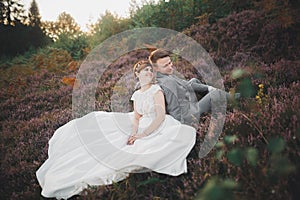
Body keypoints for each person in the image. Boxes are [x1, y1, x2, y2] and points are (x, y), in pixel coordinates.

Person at [36, 60, 196, 199]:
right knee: (97, 128)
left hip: (157, 124)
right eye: (145, 70)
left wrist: (142, 135)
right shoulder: (137, 94)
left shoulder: (156, 90)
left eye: (150, 70)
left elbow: (160, 116)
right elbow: (136, 116)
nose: (148, 72)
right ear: (138, 74)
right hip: (138, 124)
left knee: (129, 152)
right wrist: (134, 132)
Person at [149, 49, 239, 125]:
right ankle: (236, 99)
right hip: (188, 115)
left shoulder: (164, 74)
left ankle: (215, 102)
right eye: (166, 65)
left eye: (170, 62)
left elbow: (186, 84)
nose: (170, 66)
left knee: (193, 81)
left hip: (188, 103)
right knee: (216, 94)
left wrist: (208, 88)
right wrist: (182, 124)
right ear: (156, 68)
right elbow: (173, 108)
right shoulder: (167, 82)